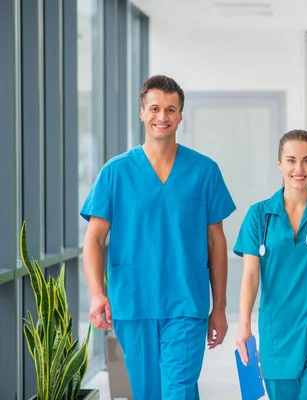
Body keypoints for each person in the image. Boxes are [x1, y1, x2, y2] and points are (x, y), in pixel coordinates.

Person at [80, 75, 236, 400]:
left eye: (170, 109)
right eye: (154, 108)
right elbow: (94, 238)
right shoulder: (116, 172)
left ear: (180, 115)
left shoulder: (204, 171)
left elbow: (216, 243)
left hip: (186, 304)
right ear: (142, 113)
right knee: (149, 394)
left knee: (177, 390)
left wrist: (219, 306)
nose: (162, 117)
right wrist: (97, 294)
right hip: (133, 304)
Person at [234, 130, 307, 400]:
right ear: (279, 163)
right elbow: (251, 276)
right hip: (278, 334)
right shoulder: (258, 215)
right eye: (291, 160)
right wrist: (244, 325)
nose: (299, 169)